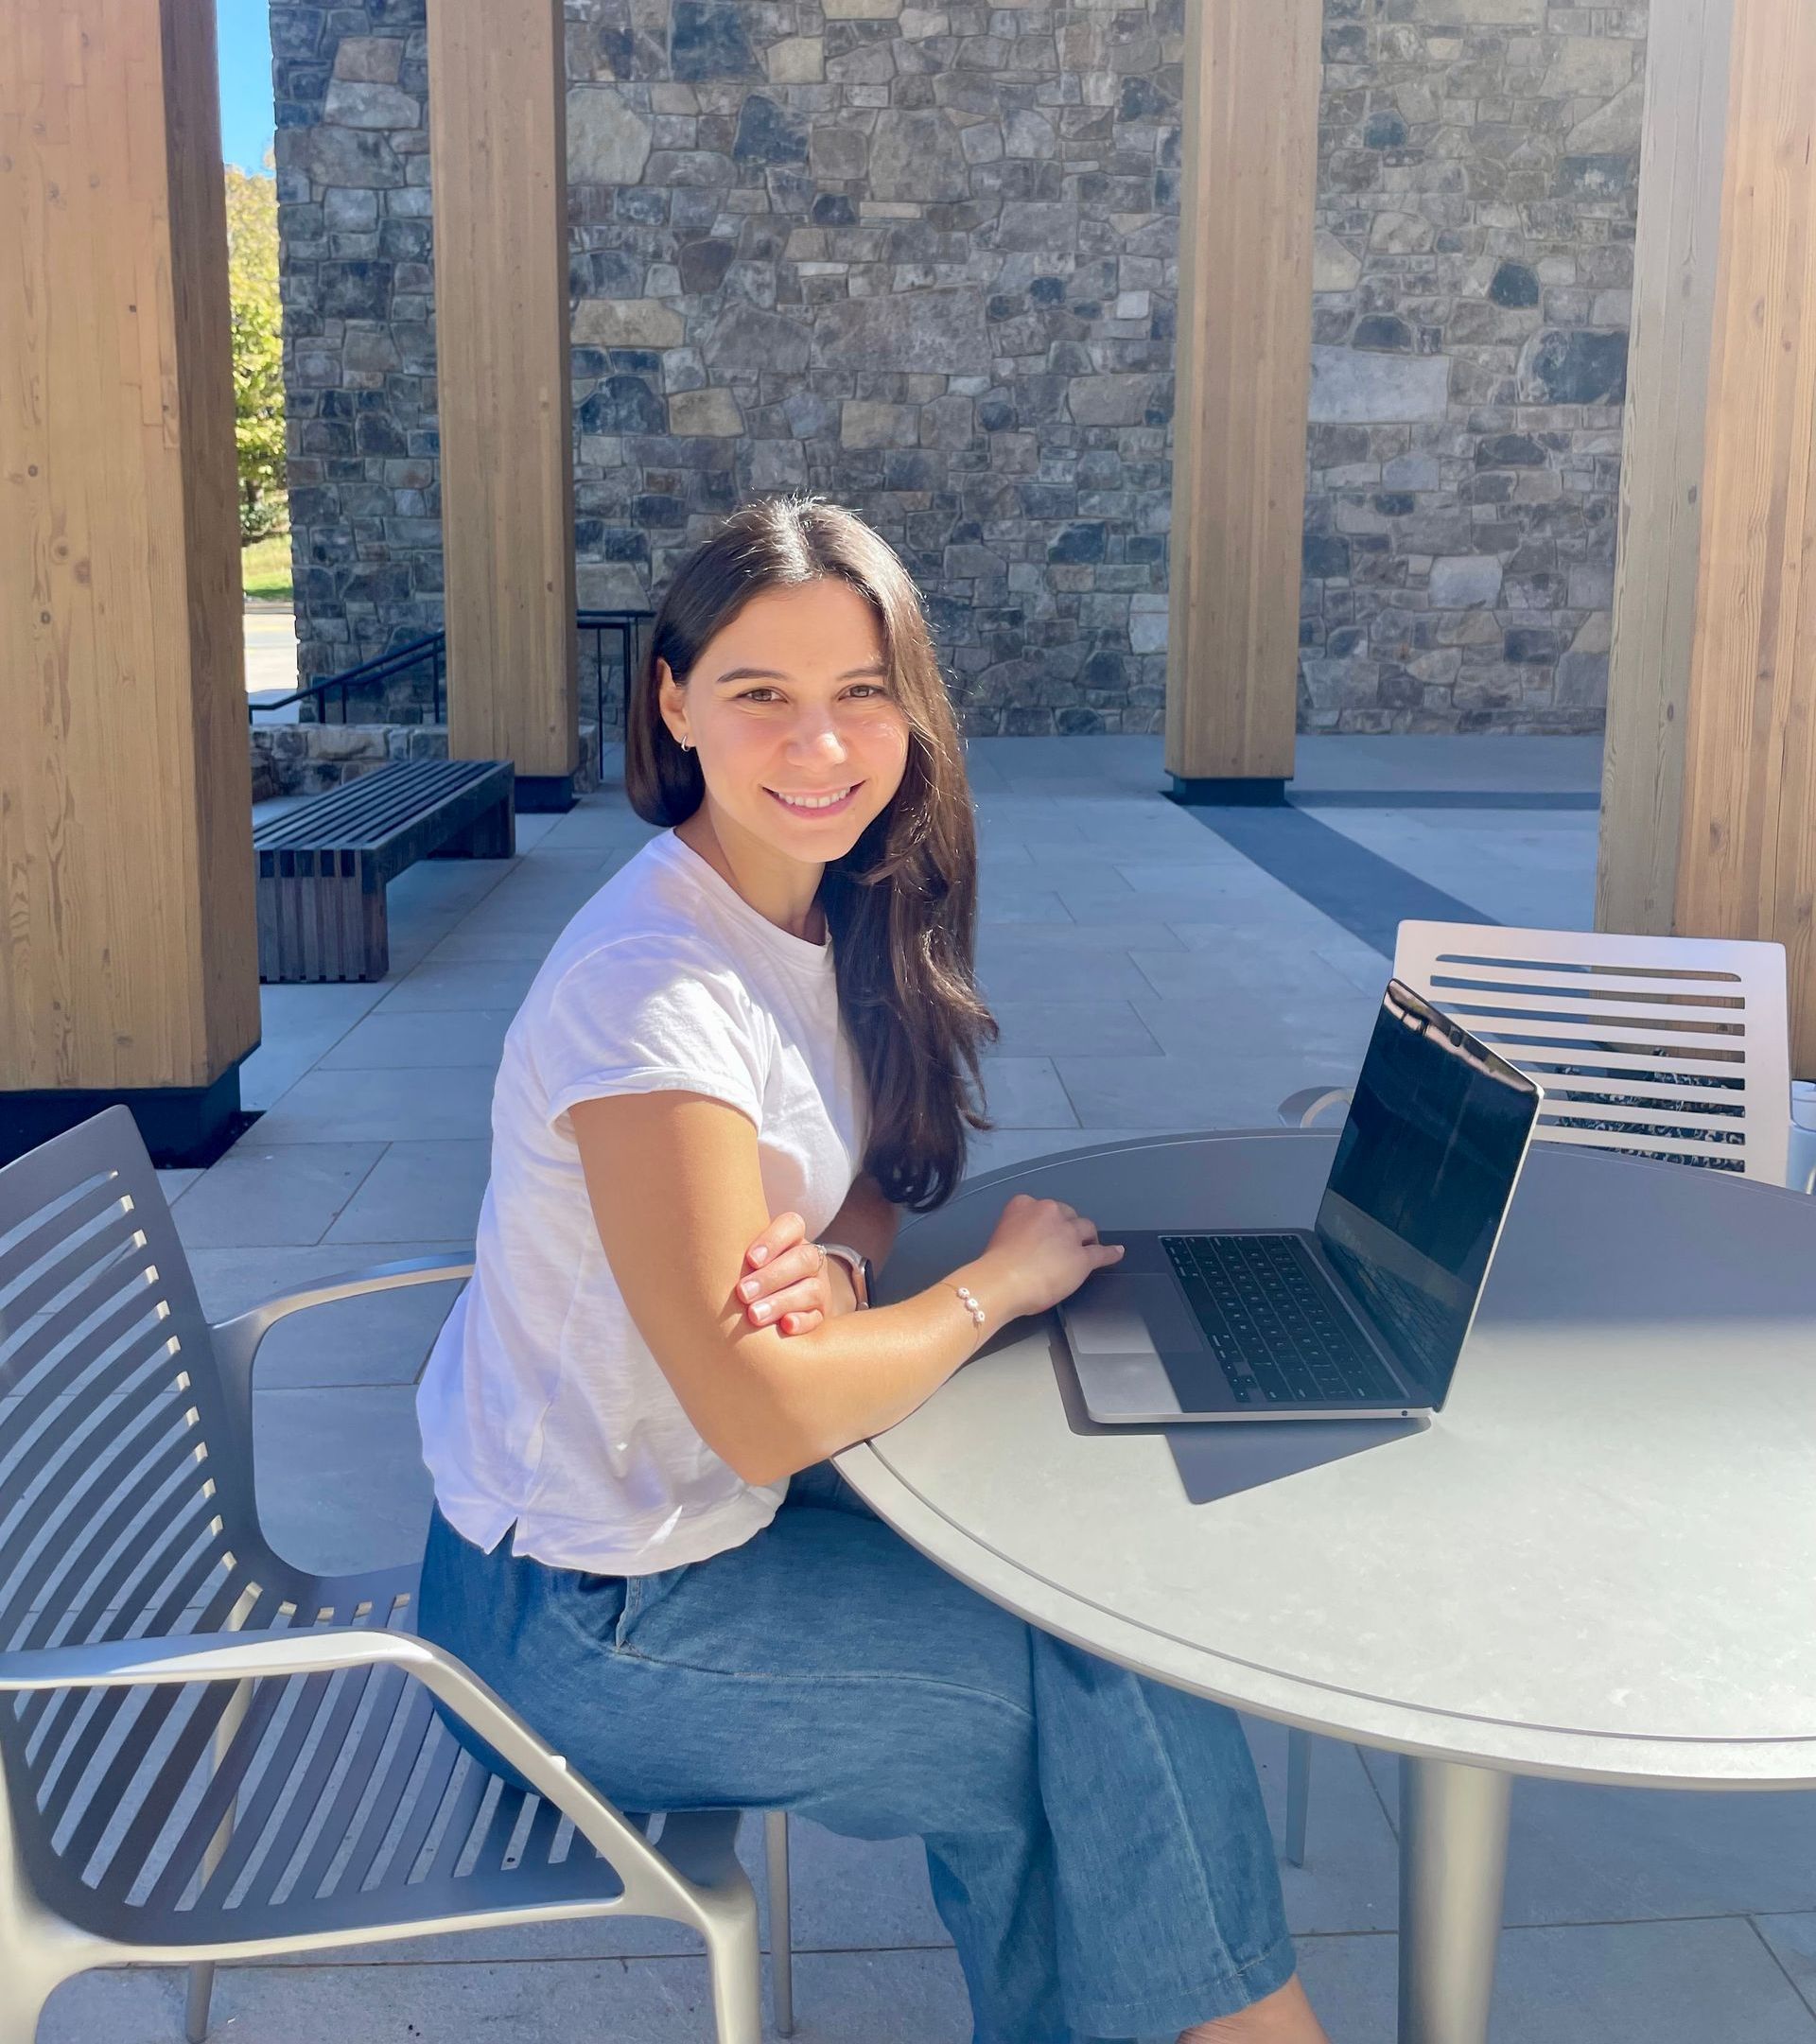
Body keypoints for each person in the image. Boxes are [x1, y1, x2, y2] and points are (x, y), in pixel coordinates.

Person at [414, 497, 1331, 2044]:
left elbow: (868, 1192)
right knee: (1084, 1740)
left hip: (670, 1526)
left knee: (1100, 1616)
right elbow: (766, 1414)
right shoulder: (653, 993)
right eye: (762, 694)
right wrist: (997, 1291)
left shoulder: (816, 903)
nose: (820, 745)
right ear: (673, 701)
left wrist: (842, 1260)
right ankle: (1262, 2029)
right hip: (584, 1616)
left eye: (859, 694)